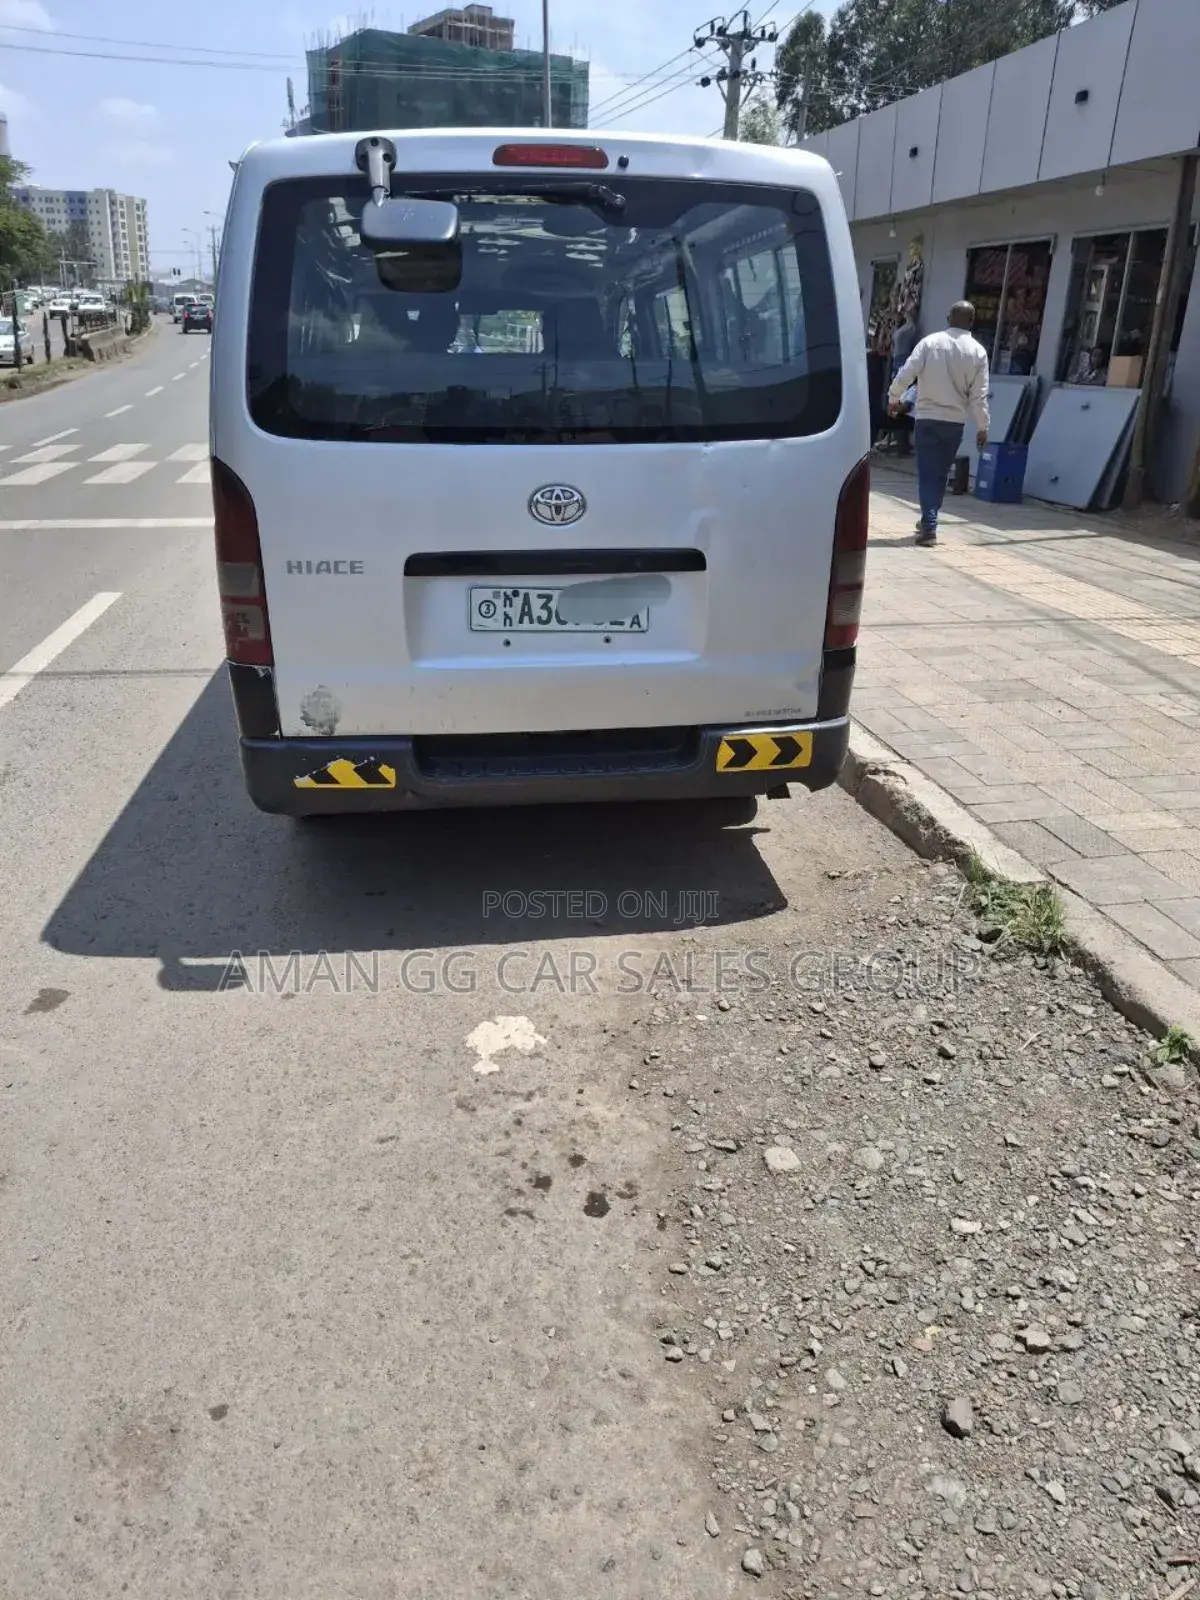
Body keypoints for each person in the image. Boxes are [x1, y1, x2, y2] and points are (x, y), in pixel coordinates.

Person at [887, 300, 990, 547]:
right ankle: (928, 521)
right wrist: (982, 426)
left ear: (948, 318)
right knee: (941, 475)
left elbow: (907, 372)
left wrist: (893, 397)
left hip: (927, 420)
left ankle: (929, 524)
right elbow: (979, 394)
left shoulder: (930, 343)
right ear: (972, 321)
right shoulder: (978, 352)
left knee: (927, 474)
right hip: (954, 423)